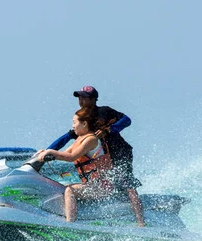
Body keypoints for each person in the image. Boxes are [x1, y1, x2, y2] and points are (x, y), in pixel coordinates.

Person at [46, 86, 146, 227]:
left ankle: (141, 222)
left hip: (120, 153)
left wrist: (110, 130)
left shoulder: (104, 111)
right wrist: (46, 151)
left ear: (93, 99)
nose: (81, 100)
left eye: (84, 97)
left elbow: (127, 120)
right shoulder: (84, 120)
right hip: (104, 157)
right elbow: (65, 138)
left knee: (128, 185)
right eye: (79, 97)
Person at [37, 107, 113, 222]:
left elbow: (71, 157)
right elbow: (64, 154)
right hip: (92, 185)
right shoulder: (81, 139)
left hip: (101, 187)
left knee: (70, 190)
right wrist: (45, 152)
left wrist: (51, 151)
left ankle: (70, 223)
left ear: (84, 123)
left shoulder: (91, 140)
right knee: (61, 185)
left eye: (74, 122)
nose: (72, 126)